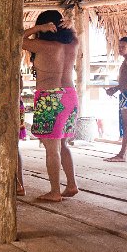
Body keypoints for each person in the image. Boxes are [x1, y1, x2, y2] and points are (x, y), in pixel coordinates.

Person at [22, 10, 80, 201]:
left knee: (51, 147)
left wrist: (37, 28)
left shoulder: (41, 45)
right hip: (70, 96)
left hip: (50, 97)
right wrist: (69, 25)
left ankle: (55, 191)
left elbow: (15, 39)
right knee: (62, 143)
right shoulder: (73, 44)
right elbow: (75, 33)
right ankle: (71, 184)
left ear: (46, 26)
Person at [0, 26, 26, 196]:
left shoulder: (5, 60)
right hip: (10, 104)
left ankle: (16, 182)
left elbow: (17, 85)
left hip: (8, 106)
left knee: (6, 145)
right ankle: (17, 183)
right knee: (10, 146)